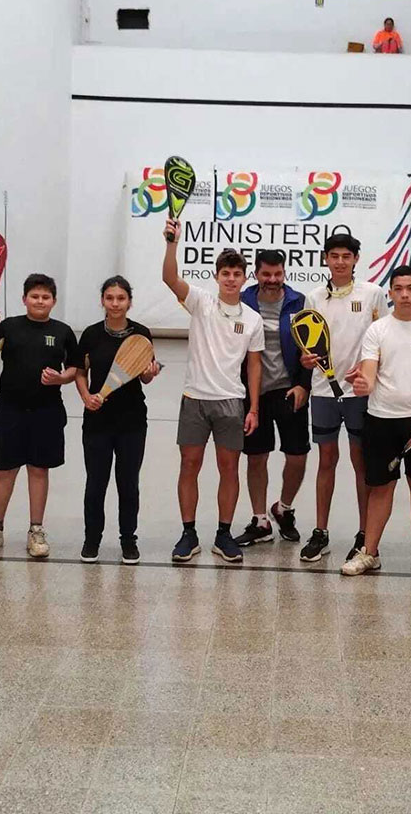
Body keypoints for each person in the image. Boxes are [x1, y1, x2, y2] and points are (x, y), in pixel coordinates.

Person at [162, 219, 264, 564]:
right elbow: (170, 278)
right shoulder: (201, 302)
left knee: (229, 468)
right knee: (189, 465)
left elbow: (254, 366)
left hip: (232, 403)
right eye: (225, 273)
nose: (231, 279)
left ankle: (224, 534)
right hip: (194, 399)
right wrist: (172, 243)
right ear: (217, 276)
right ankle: (188, 534)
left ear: (245, 278)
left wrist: (253, 408)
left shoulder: (253, 319)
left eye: (237, 274)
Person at [341, 266, 411, 583]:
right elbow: (369, 374)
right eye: (398, 289)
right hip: (381, 421)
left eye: (410, 288)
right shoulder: (377, 330)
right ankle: (369, 553)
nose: (404, 294)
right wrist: (363, 384)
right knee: (380, 489)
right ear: (390, 293)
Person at [0, 273, 78, 560]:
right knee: (5, 470)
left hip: (47, 412)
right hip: (10, 410)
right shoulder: (9, 327)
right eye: (34, 296)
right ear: (24, 299)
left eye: (45, 297)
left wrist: (60, 378)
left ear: (53, 301)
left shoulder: (63, 332)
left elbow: (75, 369)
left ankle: (36, 530)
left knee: (39, 470)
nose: (40, 301)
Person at [298, 232, 388, 563]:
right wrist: (306, 360)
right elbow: (307, 344)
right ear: (326, 259)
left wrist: (368, 372)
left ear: (355, 260)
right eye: (334, 256)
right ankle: (321, 531)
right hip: (323, 392)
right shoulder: (314, 297)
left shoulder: (373, 294)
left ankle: (364, 534)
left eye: (346, 256)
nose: (340, 261)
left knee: (360, 462)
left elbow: (384, 340)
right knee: (326, 460)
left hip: (359, 393)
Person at [75, 275, 161, 565]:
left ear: (129, 302)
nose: (115, 303)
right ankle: (91, 540)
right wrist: (86, 396)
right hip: (97, 421)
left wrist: (149, 374)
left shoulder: (142, 333)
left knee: (128, 484)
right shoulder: (90, 334)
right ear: (102, 300)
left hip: (132, 421)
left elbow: (145, 375)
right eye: (110, 298)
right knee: (95, 483)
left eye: (121, 298)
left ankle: (128, 540)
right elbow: (79, 371)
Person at [234, 250, 311, 547]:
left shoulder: (298, 302)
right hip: (253, 394)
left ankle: (283, 509)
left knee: (297, 456)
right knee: (257, 457)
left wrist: (303, 385)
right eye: (266, 274)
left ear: (284, 273)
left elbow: (311, 346)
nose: (272, 279)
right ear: (256, 274)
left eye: (278, 274)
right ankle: (260, 521)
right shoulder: (242, 301)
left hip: (289, 390)